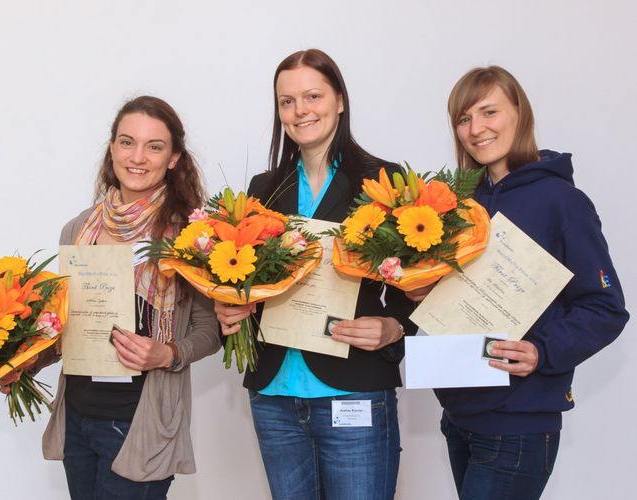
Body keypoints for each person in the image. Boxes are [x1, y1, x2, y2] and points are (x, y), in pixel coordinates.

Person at [410, 65, 628, 499]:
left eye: (489, 112)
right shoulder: (459, 203)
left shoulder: (562, 201)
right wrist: (423, 291)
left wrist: (541, 350)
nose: (476, 129)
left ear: (519, 113)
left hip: (519, 421)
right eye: (464, 118)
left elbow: (605, 309)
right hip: (459, 415)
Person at [214, 49, 416, 500]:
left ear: (340, 100)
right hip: (274, 396)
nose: (300, 110)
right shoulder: (263, 190)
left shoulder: (382, 179)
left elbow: (419, 277)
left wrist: (395, 326)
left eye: (312, 96)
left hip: (354, 388)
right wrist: (229, 311)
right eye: (287, 101)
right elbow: (242, 283)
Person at [4, 96, 221, 500]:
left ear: (173, 158)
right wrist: (26, 362)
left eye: (154, 146)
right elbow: (67, 324)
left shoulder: (190, 235)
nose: (137, 157)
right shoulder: (77, 229)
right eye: (127, 142)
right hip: (78, 418)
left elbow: (210, 329)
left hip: (142, 421)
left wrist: (168, 354)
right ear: (112, 147)